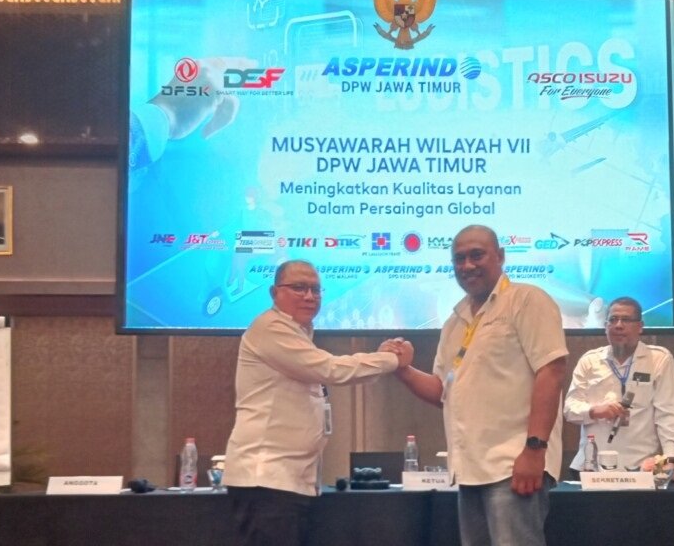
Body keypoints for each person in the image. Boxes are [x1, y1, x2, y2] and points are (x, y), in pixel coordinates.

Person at [393, 225, 568, 546]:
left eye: (477, 255)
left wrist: (534, 450)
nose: (467, 265)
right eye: (459, 259)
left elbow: (552, 371)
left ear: (500, 256)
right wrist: (402, 370)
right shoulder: (454, 321)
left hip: (513, 465)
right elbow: (443, 391)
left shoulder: (526, 300)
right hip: (469, 471)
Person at [222, 259, 414, 546]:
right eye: (299, 288)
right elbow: (330, 369)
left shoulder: (299, 335)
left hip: (288, 481)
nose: (310, 296)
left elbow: (329, 370)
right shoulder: (270, 328)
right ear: (274, 293)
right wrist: (391, 359)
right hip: (266, 480)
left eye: (316, 289)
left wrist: (381, 357)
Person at [563, 297, 674, 475]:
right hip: (591, 468)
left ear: (640, 326)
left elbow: (668, 414)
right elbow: (569, 409)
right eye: (613, 320)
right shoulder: (590, 361)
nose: (618, 325)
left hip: (641, 467)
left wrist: (671, 459)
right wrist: (594, 411)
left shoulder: (659, 359)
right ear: (605, 327)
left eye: (626, 320)